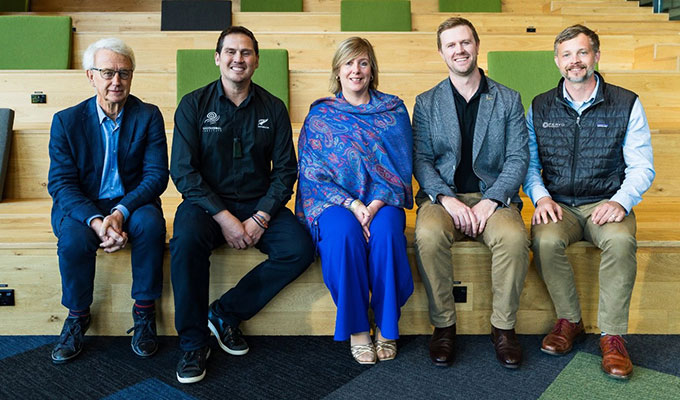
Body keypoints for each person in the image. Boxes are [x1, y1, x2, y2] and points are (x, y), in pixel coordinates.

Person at [170, 26, 315, 384]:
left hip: (258, 202)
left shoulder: (273, 108)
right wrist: (224, 218)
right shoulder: (193, 105)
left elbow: (285, 170)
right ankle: (193, 342)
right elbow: (183, 172)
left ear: (257, 61)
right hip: (207, 204)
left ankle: (224, 313)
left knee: (300, 248)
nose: (238, 59)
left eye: (246, 53)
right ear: (217, 58)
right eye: (231, 52)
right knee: (184, 242)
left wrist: (260, 216)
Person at [523, 24, 655, 380]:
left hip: (605, 202)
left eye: (582, 53)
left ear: (597, 55)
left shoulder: (626, 102)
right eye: (567, 55)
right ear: (557, 61)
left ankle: (612, 336)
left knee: (621, 240)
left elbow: (642, 166)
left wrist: (622, 201)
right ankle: (570, 320)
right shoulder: (540, 105)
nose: (575, 61)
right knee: (544, 239)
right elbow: (530, 164)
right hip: (560, 205)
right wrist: (540, 197)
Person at [412, 17, 530, 369]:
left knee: (512, 236)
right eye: (451, 45)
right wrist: (445, 198)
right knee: (429, 234)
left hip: (493, 195)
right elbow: (421, 159)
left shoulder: (507, 99)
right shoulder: (427, 102)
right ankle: (444, 325)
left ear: (477, 46)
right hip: (443, 197)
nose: (459, 50)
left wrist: (492, 200)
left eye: (465, 43)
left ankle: (503, 328)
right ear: (441, 52)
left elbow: (517, 156)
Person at [47, 38, 169, 364]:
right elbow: (61, 183)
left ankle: (144, 311)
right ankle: (77, 315)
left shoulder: (148, 116)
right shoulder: (66, 121)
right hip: (82, 204)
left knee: (151, 224)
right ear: (91, 76)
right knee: (73, 239)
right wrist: (98, 221)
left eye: (124, 73)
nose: (117, 81)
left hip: (131, 201)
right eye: (108, 72)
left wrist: (120, 211)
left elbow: (156, 176)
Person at [296, 37, 414, 365]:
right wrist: (352, 206)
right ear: (337, 69)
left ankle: (388, 327)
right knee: (343, 235)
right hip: (334, 202)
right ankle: (358, 328)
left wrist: (373, 206)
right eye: (349, 63)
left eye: (363, 62)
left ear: (372, 69)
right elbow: (311, 172)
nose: (356, 70)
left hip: (382, 199)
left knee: (388, 234)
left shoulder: (393, 110)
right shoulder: (322, 115)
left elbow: (401, 168)